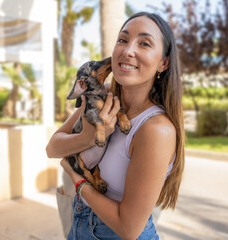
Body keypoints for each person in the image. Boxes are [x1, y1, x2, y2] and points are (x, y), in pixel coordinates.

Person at [46, 12, 185, 240]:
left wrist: (79, 182)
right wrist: (88, 138)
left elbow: (128, 229)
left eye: (144, 43)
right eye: (123, 39)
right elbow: (52, 148)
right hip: (78, 229)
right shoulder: (103, 94)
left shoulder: (155, 129)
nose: (128, 50)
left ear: (163, 63)